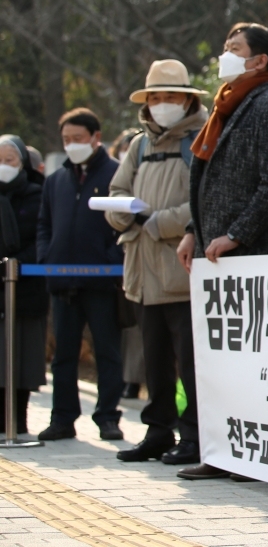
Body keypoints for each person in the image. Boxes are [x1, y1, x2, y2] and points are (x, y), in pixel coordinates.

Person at [176, 23, 268, 479]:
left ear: (259, 60)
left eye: (234, 49)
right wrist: (194, 230)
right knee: (214, 359)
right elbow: (206, 183)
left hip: (243, 256)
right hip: (211, 254)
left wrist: (237, 235)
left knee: (245, 360)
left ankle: (246, 456)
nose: (225, 56)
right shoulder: (224, 107)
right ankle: (217, 449)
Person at [105, 60, 210, 467]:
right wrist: (122, 214)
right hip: (142, 272)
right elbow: (117, 189)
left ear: (186, 99)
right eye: (155, 98)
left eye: (169, 97)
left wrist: (157, 223)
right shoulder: (138, 144)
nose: (162, 105)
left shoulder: (201, 137)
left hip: (180, 270)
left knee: (190, 362)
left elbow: (203, 199)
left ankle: (195, 435)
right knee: (154, 360)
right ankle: (157, 430)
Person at [36, 108, 126, 442]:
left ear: (95, 138)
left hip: (103, 280)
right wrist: (47, 256)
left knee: (107, 350)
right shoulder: (56, 180)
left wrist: (112, 258)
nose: (72, 145)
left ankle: (107, 416)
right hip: (62, 280)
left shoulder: (116, 175)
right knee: (63, 355)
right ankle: (62, 418)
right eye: (66, 140)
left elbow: (126, 224)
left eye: (78, 139)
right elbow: (44, 224)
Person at [0, 135, 46, 435]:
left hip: (27, 289)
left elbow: (42, 237)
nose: (3, 166)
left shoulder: (38, 195)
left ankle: (19, 420)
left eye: (9, 160)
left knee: (23, 358)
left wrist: (17, 263)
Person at [108, 127, 145, 401]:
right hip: (125, 262)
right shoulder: (119, 174)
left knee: (139, 333)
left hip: (152, 259)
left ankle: (134, 382)